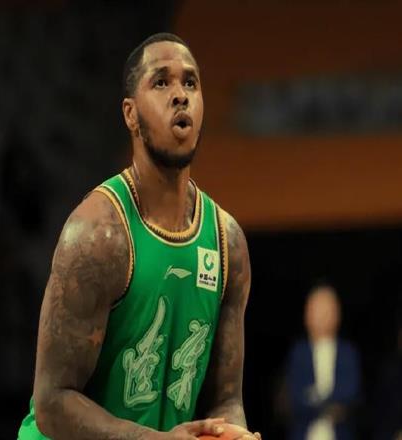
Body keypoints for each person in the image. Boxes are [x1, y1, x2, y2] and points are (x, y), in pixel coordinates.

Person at [18, 33, 260, 440]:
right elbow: (52, 403)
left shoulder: (227, 243)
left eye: (190, 82)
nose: (180, 95)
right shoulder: (97, 235)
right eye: (161, 82)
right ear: (130, 115)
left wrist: (233, 434)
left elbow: (226, 399)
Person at [286, 284, 360, 440]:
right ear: (307, 313)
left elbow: (351, 394)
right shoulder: (298, 354)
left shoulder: (348, 353)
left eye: (327, 308)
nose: (322, 315)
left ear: (337, 313)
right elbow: (295, 398)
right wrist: (329, 405)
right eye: (317, 308)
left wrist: (314, 398)